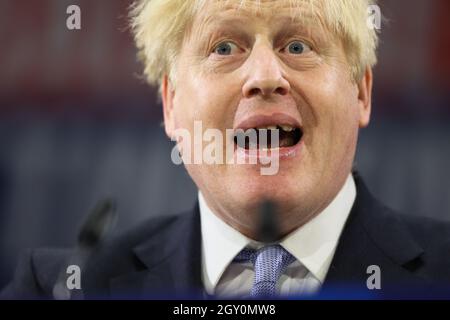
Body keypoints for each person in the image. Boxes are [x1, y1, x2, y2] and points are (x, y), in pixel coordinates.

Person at [2, 0, 450, 299]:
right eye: (224, 47)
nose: (264, 76)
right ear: (171, 104)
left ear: (361, 93)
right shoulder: (61, 289)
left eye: (298, 45)